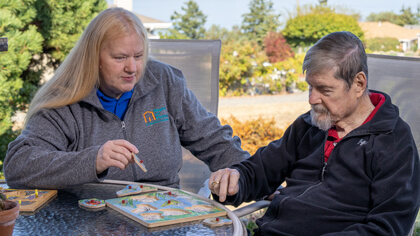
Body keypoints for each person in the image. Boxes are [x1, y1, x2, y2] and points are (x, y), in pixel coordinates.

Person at [3, 7, 249, 190]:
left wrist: (254, 176)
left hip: (165, 216)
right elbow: (18, 165)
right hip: (91, 220)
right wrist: (93, 159)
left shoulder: (164, 81)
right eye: (120, 58)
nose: (133, 68)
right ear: (94, 58)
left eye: (139, 56)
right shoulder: (65, 100)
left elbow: (213, 139)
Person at [209, 31, 420, 235]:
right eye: (310, 87)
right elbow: (260, 171)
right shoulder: (309, 126)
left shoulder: (393, 142)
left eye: (324, 90)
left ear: (358, 84)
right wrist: (234, 180)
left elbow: (387, 228)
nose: (312, 99)